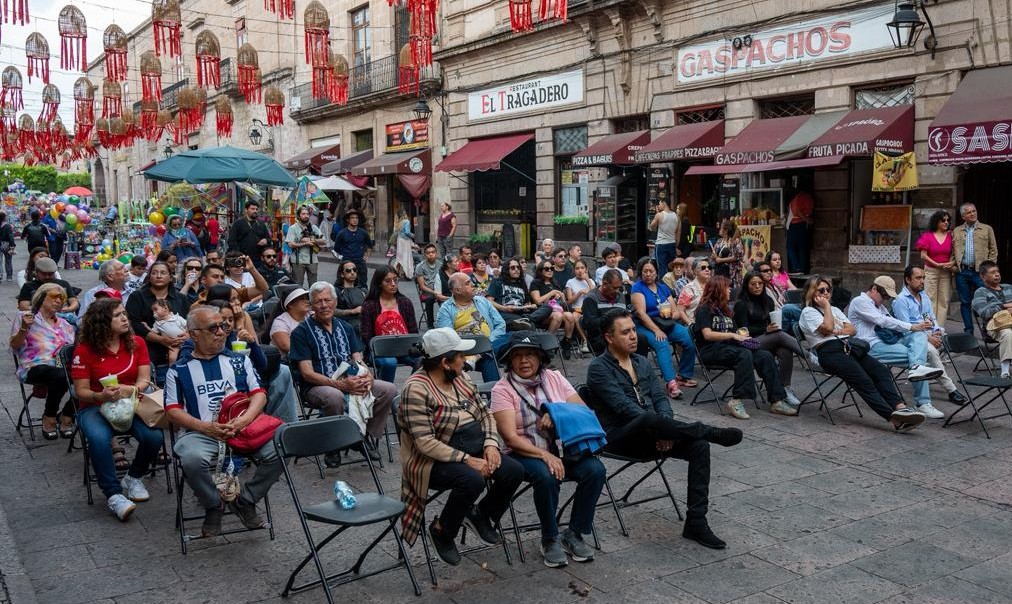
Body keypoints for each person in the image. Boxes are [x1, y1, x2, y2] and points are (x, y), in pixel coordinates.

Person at [585, 310, 743, 549]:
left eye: (633, 330)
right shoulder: (598, 368)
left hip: (656, 431)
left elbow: (661, 399)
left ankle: (696, 522)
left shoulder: (641, 362)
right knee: (647, 417)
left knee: (699, 446)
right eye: (625, 332)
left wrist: (666, 428)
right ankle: (708, 430)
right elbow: (624, 408)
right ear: (609, 337)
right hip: (620, 437)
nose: (633, 336)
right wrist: (660, 430)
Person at [397, 328, 524, 565]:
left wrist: (491, 445)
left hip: (472, 444)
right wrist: (467, 459)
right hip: (431, 459)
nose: (465, 361)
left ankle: (480, 514)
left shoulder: (460, 377)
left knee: (513, 471)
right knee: (472, 480)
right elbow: (425, 443)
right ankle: (442, 530)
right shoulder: (416, 389)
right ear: (445, 362)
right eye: (460, 357)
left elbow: (485, 413)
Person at [165, 305, 283, 538]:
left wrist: (244, 420)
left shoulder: (239, 361)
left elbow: (259, 394)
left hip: (244, 429)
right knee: (191, 459)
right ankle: (213, 504)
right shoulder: (179, 370)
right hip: (200, 433)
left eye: (223, 326)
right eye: (213, 328)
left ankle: (246, 501)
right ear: (194, 334)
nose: (221, 332)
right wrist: (206, 427)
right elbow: (172, 411)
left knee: (283, 445)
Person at [491, 332, 605, 567]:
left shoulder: (554, 377)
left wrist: (555, 413)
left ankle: (574, 533)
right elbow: (510, 438)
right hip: (524, 451)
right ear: (509, 361)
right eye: (517, 356)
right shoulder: (502, 389)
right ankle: (549, 538)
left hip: (563, 449)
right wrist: (544, 455)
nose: (524, 360)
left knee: (595, 470)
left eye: (530, 355)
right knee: (546, 475)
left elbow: (582, 410)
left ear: (540, 358)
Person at [71, 298, 162, 521]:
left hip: (131, 402)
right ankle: (113, 494)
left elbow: (144, 380)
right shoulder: (84, 350)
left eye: (124, 314)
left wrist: (130, 389)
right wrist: (100, 396)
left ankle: (133, 477)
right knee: (99, 439)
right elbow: (81, 391)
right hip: (95, 406)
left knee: (154, 437)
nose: (124, 318)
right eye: (117, 315)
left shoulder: (137, 343)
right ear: (102, 322)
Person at [799, 277, 927, 431]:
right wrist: (826, 308)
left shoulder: (835, 310)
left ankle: (901, 408)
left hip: (849, 347)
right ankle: (895, 419)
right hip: (829, 352)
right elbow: (827, 328)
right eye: (821, 290)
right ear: (812, 292)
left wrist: (835, 329)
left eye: (828, 290)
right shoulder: (808, 312)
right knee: (864, 380)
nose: (826, 293)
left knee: (881, 371)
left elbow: (852, 330)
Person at [289, 281, 395, 466]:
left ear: (335, 302)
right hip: (317, 385)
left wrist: (367, 376)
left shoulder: (346, 328)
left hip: (349, 380)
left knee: (388, 389)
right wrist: (339, 385)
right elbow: (306, 373)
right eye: (318, 301)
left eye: (328, 300)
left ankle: (361, 436)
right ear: (311, 305)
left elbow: (358, 358)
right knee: (334, 396)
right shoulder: (301, 332)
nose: (324, 305)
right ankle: (334, 445)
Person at [847, 276, 948, 419]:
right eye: (884, 296)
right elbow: (882, 321)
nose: (885, 299)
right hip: (870, 346)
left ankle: (917, 371)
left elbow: (892, 321)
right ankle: (923, 402)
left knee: (919, 337)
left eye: (888, 297)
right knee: (918, 358)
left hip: (887, 341)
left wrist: (920, 329)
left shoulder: (880, 305)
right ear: (874, 289)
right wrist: (912, 326)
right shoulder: (860, 301)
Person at [692, 275, 791, 419]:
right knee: (744, 354)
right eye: (727, 287)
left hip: (730, 347)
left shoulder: (725, 310)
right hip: (711, 350)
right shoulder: (704, 310)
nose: (729, 290)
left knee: (765, 356)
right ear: (718, 290)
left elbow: (734, 332)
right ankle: (736, 400)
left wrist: (741, 335)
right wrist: (732, 336)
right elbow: (707, 334)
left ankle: (777, 400)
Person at [892, 266, 967, 406]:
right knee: (932, 352)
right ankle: (951, 389)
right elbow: (906, 328)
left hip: (928, 333)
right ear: (908, 279)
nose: (922, 281)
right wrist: (928, 338)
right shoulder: (901, 300)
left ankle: (933, 366)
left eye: (924, 278)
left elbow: (931, 318)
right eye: (918, 278)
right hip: (911, 338)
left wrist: (936, 330)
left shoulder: (924, 296)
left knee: (959, 344)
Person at [10, 282, 76, 439]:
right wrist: (24, 328)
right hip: (34, 367)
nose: (59, 300)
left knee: (91, 376)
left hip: (62, 368)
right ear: (41, 297)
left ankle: (67, 414)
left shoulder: (65, 324)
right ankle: (49, 417)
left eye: (62, 298)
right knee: (60, 375)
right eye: (54, 296)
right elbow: (14, 345)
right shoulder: (26, 317)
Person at [733, 271, 803, 408]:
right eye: (753, 284)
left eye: (760, 283)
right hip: (748, 342)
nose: (757, 286)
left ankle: (785, 388)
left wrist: (771, 328)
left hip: (767, 339)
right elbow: (743, 330)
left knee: (785, 350)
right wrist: (766, 330)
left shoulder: (768, 301)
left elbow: (771, 325)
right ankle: (808, 355)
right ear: (746, 285)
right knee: (779, 335)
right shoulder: (741, 304)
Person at [630, 257, 697, 397]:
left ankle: (683, 375)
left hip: (664, 322)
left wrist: (670, 314)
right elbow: (641, 313)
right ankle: (671, 383)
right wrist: (656, 330)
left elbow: (676, 311)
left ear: (656, 272)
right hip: (645, 324)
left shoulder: (662, 287)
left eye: (651, 271)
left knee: (688, 337)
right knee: (662, 343)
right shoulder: (637, 288)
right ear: (641, 272)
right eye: (645, 271)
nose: (648, 274)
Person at [125, 261, 192, 386]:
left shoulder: (180, 298)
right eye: (154, 273)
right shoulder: (137, 296)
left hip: (181, 345)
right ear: (149, 276)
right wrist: (160, 339)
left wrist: (187, 335)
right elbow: (134, 323)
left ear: (170, 277)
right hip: (150, 347)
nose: (159, 276)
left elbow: (191, 320)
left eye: (163, 273)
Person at [436, 272, 508, 382]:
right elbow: (447, 338)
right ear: (458, 290)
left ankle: (479, 355)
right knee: (489, 356)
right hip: (466, 349)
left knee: (513, 337)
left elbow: (500, 324)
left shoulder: (482, 301)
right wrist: (480, 347)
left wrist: (487, 342)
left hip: (491, 342)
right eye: (468, 283)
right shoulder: (446, 309)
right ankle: (494, 392)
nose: (473, 284)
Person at [360, 266, 420, 383]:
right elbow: (366, 336)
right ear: (379, 283)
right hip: (381, 351)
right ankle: (387, 390)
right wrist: (380, 346)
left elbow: (413, 331)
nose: (393, 284)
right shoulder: (370, 305)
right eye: (388, 281)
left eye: (395, 280)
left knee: (424, 360)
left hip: (404, 348)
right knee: (390, 362)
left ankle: (411, 387)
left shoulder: (405, 302)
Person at [952, 203, 997, 334]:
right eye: (969, 212)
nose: (972, 214)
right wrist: (954, 267)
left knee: (986, 301)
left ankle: (987, 330)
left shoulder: (987, 229)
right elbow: (953, 251)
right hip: (962, 272)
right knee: (965, 302)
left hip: (980, 273)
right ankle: (968, 331)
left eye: (974, 211)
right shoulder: (957, 231)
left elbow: (993, 250)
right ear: (963, 216)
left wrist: (989, 269)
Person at [972, 261, 1012, 378]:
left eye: (997, 271)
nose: (997, 274)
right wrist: (1004, 307)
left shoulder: (1009, 287)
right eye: (993, 272)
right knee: (1007, 333)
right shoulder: (980, 293)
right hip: (995, 327)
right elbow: (984, 313)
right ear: (983, 276)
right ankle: (1005, 372)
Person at [529, 261, 578, 355]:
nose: (550, 271)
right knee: (558, 316)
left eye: (551, 268)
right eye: (546, 269)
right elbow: (538, 301)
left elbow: (562, 302)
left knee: (569, 316)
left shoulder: (555, 283)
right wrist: (552, 293)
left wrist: (561, 296)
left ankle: (566, 342)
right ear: (540, 270)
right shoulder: (536, 283)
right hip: (541, 313)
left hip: (557, 310)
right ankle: (547, 344)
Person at [917, 210, 955, 327]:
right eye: (943, 220)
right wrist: (936, 264)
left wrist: (952, 263)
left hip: (946, 272)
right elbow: (923, 255)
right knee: (929, 300)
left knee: (944, 300)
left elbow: (957, 254)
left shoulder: (951, 236)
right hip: (931, 271)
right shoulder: (928, 236)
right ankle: (929, 327)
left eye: (948, 220)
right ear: (936, 222)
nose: (946, 222)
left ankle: (940, 329)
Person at [486, 257, 543, 331]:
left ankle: (526, 319)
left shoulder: (522, 283)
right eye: (513, 268)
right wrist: (503, 308)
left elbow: (526, 301)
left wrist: (528, 305)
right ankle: (526, 320)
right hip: (504, 313)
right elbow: (488, 301)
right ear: (507, 270)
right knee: (528, 325)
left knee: (547, 308)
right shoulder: (498, 282)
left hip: (521, 312)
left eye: (518, 267)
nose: (516, 269)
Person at [581, 269, 628, 354]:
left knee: (640, 339)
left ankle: (636, 362)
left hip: (620, 333)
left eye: (619, 287)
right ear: (605, 284)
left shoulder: (621, 296)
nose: (617, 291)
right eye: (614, 288)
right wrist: (612, 319)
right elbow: (590, 324)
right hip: (600, 336)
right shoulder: (591, 298)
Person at [285, 205, 326, 288]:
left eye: (307, 214)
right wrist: (304, 243)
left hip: (312, 260)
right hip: (297, 260)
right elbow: (290, 244)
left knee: (314, 285)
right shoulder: (293, 228)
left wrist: (312, 240)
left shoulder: (313, 227)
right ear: (298, 216)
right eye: (303, 214)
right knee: (298, 285)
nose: (306, 216)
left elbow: (324, 241)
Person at [332, 209, 374, 288]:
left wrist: (366, 256)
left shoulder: (363, 232)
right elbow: (336, 248)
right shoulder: (342, 233)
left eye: (356, 218)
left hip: (360, 262)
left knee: (362, 285)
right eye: (352, 218)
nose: (355, 220)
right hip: (347, 262)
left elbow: (370, 245)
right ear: (348, 220)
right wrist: (345, 254)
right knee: (343, 284)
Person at [564, 259, 594, 353]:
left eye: (582, 268)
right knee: (574, 317)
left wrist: (587, 280)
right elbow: (569, 301)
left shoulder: (591, 281)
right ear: (574, 270)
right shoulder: (570, 282)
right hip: (577, 309)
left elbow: (595, 294)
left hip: (590, 309)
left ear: (586, 269)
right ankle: (585, 340)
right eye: (577, 268)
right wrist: (580, 293)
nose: (580, 270)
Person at [269, 287, 310, 355]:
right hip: (287, 360)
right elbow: (288, 347)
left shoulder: (311, 315)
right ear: (290, 305)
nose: (307, 301)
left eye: (307, 298)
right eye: (302, 299)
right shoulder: (280, 322)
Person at [415, 244, 446, 327]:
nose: (431, 254)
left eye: (433, 252)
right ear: (425, 254)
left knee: (448, 298)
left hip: (439, 289)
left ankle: (445, 320)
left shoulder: (440, 265)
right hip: (427, 292)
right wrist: (434, 292)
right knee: (430, 300)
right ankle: (430, 323)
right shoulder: (420, 267)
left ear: (436, 253)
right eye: (428, 253)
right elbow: (422, 286)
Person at [334, 259, 366, 338]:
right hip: (345, 326)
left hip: (363, 325)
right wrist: (352, 311)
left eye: (354, 270)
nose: (352, 272)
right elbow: (332, 310)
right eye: (348, 270)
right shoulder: (337, 291)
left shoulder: (363, 291)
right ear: (342, 274)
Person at [151, 299, 188, 364]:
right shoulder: (157, 323)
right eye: (153, 311)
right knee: (172, 358)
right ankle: (172, 368)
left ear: (165, 308)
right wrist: (146, 326)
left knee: (187, 354)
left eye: (156, 309)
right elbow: (153, 333)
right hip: (173, 345)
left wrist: (187, 334)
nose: (154, 312)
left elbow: (187, 325)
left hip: (185, 341)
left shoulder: (177, 318)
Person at [786, 188, 814, 273]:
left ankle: (796, 267)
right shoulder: (809, 197)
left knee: (790, 247)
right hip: (803, 225)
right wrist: (807, 219)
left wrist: (805, 219)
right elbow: (810, 210)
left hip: (795, 224)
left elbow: (797, 211)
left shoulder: (798, 198)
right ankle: (802, 268)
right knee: (802, 248)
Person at [711, 219, 744, 289]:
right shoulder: (719, 241)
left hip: (730, 273)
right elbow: (714, 255)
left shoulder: (735, 241)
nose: (719, 230)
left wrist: (721, 260)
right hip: (719, 271)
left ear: (726, 230)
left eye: (721, 228)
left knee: (730, 291)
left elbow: (737, 257)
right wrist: (714, 256)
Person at [650, 200, 679, 279]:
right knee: (671, 266)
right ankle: (672, 282)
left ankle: (663, 284)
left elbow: (652, 227)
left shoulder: (659, 215)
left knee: (662, 266)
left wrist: (656, 214)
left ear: (664, 204)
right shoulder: (677, 216)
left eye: (659, 204)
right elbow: (678, 233)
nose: (658, 206)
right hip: (672, 243)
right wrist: (676, 246)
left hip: (661, 244)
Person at [677, 256, 711, 323]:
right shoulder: (689, 288)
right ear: (695, 271)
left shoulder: (713, 286)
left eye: (709, 267)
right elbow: (680, 310)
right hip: (695, 324)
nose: (707, 269)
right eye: (703, 268)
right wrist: (690, 324)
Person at [392, 211, 415, 280]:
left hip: (400, 240)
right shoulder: (406, 221)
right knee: (406, 257)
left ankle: (396, 272)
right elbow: (407, 232)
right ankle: (407, 273)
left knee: (399, 258)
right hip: (405, 241)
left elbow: (395, 232)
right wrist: (412, 235)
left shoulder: (399, 223)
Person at [0, 211, 16, 281]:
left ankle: (0, 275)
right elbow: (10, 236)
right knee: (8, 260)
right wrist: (12, 244)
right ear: (4, 218)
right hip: (6, 244)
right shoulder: (8, 226)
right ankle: (9, 276)